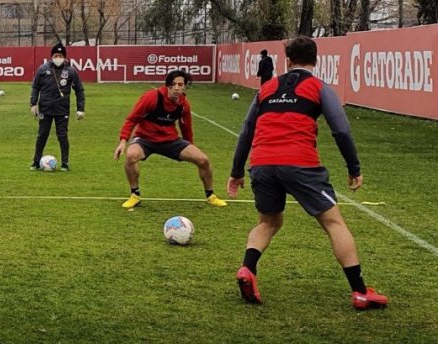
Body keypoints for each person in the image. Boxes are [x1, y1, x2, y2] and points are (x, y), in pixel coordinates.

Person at [227, 36, 387, 310]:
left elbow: (246, 131)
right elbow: (341, 130)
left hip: (263, 163)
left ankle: (247, 269)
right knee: (334, 223)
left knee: (268, 222)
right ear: (317, 59)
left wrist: (237, 171)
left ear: (287, 61)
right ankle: (360, 291)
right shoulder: (319, 87)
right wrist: (354, 168)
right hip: (300, 163)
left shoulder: (267, 88)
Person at [114, 70, 227, 209]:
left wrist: (190, 147)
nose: (176, 88)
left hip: (170, 140)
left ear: (185, 86)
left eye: (180, 84)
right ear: (168, 85)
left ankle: (210, 196)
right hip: (145, 139)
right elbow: (131, 119)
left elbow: (186, 128)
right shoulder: (151, 97)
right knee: (131, 156)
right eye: (173, 84)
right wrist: (123, 141)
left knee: (203, 160)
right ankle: (134, 195)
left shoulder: (184, 105)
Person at [29, 42, 85, 171]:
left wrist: (80, 109)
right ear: (51, 56)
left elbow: (79, 90)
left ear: (64, 57)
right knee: (42, 135)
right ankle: (36, 162)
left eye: (60, 55)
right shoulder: (43, 69)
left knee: (62, 136)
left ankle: (65, 163)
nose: (58, 58)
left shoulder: (71, 71)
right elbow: (35, 87)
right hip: (45, 108)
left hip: (62, 109)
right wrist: (33, 104)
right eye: (56, 55)